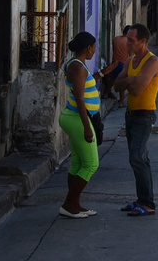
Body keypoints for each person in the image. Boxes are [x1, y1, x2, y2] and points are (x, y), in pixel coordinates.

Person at [113, 23, 158, 217]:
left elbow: (136, 90)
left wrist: (129, 82)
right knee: (138, 159)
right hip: (131, 115)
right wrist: (130, 80)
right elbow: (117, 87)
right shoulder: (131, 61)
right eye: (127, 39)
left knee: (137, 158)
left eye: (132, 40)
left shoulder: (152, 62)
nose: (128, 44)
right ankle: (142, 199)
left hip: (144, 116)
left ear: (143, 41)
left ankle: (148, 203)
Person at [59, 31, 100, 218]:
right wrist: (86, 126)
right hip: (77, 118)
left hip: (76, 117)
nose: (94, 51)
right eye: (93, 47)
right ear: (87, 48)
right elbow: (80, 99)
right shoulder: (77, 67)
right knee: (91, 164)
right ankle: (68, 204)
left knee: (78, 162)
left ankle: (74, 204)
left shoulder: (79, 65)